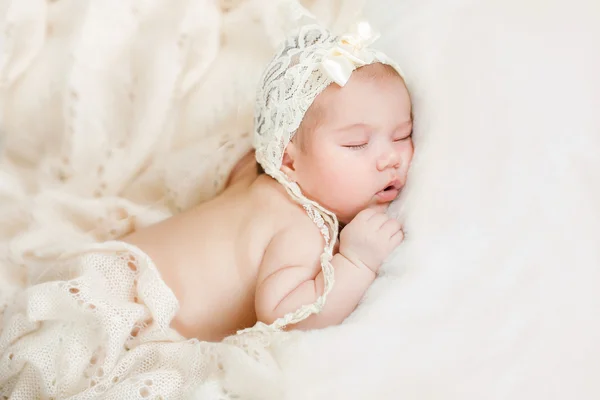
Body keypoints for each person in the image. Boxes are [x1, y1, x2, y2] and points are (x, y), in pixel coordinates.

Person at [0, 22, 413, 398]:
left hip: (100, 275)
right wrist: (356, 262)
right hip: (131, 329)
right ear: (288, 161)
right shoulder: (302, 226)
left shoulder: (253, 175)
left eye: (402, 135)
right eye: (357, 144)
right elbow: (286, 314)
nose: (389, 158)